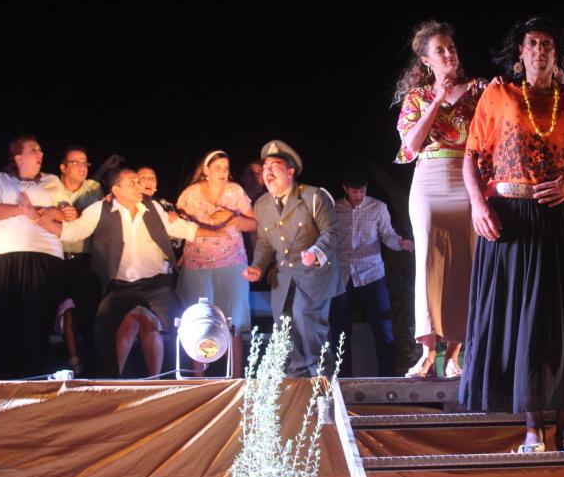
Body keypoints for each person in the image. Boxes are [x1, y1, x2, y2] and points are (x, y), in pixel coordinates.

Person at [459, 16, 564, 453]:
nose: (540, 50)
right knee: (522, 322)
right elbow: (471, 157)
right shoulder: (498, 94)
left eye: (547, 44)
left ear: (557, 55)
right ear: (520, 52)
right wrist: (478, 205)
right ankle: (531, 428)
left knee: (562, 320)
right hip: (510, 221)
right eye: (532, 43)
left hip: (559, 217)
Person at [42, 168, 230, 377]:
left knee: (182, 325)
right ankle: (109, 382)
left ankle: (182, 378)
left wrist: (214, 233)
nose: (138, 186)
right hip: (120, 287)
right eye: (132, 183)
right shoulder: (101, 209)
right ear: (116, 190)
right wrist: (43, 219)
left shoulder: (152, 208)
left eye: (138, 182)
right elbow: (73, 232)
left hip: (156, 285)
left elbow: (182, 228)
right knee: (101, 328)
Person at [393, 20, 486, 378]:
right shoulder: (417, 98)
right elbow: (412, 145)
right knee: (429, 265)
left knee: (465, 264)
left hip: (467, 181)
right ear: (426, 60)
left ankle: (454, 356)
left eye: (452, 48)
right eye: (440, 51)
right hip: (429, 183)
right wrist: (436, 99)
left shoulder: (478, 90)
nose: (449, 54)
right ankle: (428, 353)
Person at [242, 140, 343, 377]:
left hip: (313, 275)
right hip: (284, 279)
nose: (267, 172)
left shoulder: (313, 196)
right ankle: (296, 388)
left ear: (290, 172)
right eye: (264, 168)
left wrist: (316, 252)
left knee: (306, 323)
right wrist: (257, 266)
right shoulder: (262, 205)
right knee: (286, 334)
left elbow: (332, 232)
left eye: (274, 166)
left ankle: (323, 385)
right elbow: (266, 242)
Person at [0, 136, 65, 379]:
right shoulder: (1, 179)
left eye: (41, 149)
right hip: (3, 253)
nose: (40, 153)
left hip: (44, 254)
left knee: (37, 321)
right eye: (33, 149)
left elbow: (64, 214)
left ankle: (34, 379)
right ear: (18, 157)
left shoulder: (52, 181)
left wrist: (41, 211)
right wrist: (22, 210)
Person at [176, 150, 257, 377]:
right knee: (200, 322)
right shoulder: (190, 194)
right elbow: (176, 225)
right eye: (218, 167)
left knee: (234, 322)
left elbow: (253, 224)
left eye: (226, 168)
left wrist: (232, 217)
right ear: (206, 170)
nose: (223, 172)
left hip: (232, 263)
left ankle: (236, 377)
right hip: (198, 266)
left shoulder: (235, 192)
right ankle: (199, 378)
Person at [329, 170, 414, 376]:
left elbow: (388, 234)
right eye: (354, 191)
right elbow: (327, 238)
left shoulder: (378, 207)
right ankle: (343, 380)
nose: (359, 195)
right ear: (345, 189)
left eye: (362, 191)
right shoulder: (334, 209)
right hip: (342, 274)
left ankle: (387, 378)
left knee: (383, 328)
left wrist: (401, 243)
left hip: (371, 273)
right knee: (340, 331)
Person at [52, 145, 103, 375]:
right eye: (76, 162)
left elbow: (97, 217)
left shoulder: (93, 188)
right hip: (55, 258)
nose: (82, 167)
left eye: (85, 163)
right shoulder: (51, 186)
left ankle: (92, 366)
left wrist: (78, 214)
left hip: (83, 259)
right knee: (64, 309)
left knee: (88, 310)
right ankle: (71, 362)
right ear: (63, 167)